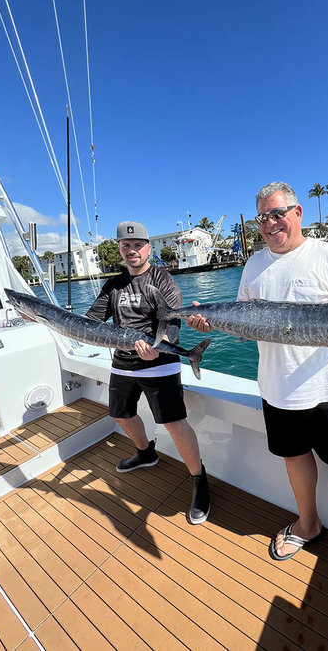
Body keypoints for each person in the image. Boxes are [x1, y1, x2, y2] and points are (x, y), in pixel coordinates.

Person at [188, 183, 328, 627]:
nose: (271, 224)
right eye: (262, 218)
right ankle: (308, 523)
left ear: (297, 212)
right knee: (295, 460)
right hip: (278, 390)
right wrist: (209, 320)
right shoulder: (253, 265)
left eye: (278, 213)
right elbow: (244, 324)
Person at [86, 220, 210, 525]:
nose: (132, 251)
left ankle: (199, 479)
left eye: (138, 245)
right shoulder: (113, 284)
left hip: (160, 363)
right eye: (126, 246)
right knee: (119, 414)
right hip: (124, 363)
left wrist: (160, 344)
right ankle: (145, 452)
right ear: (119, 249)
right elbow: (92, 318)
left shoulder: (163, 280)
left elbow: (171, 323)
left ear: (148, 248)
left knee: (174, 423)